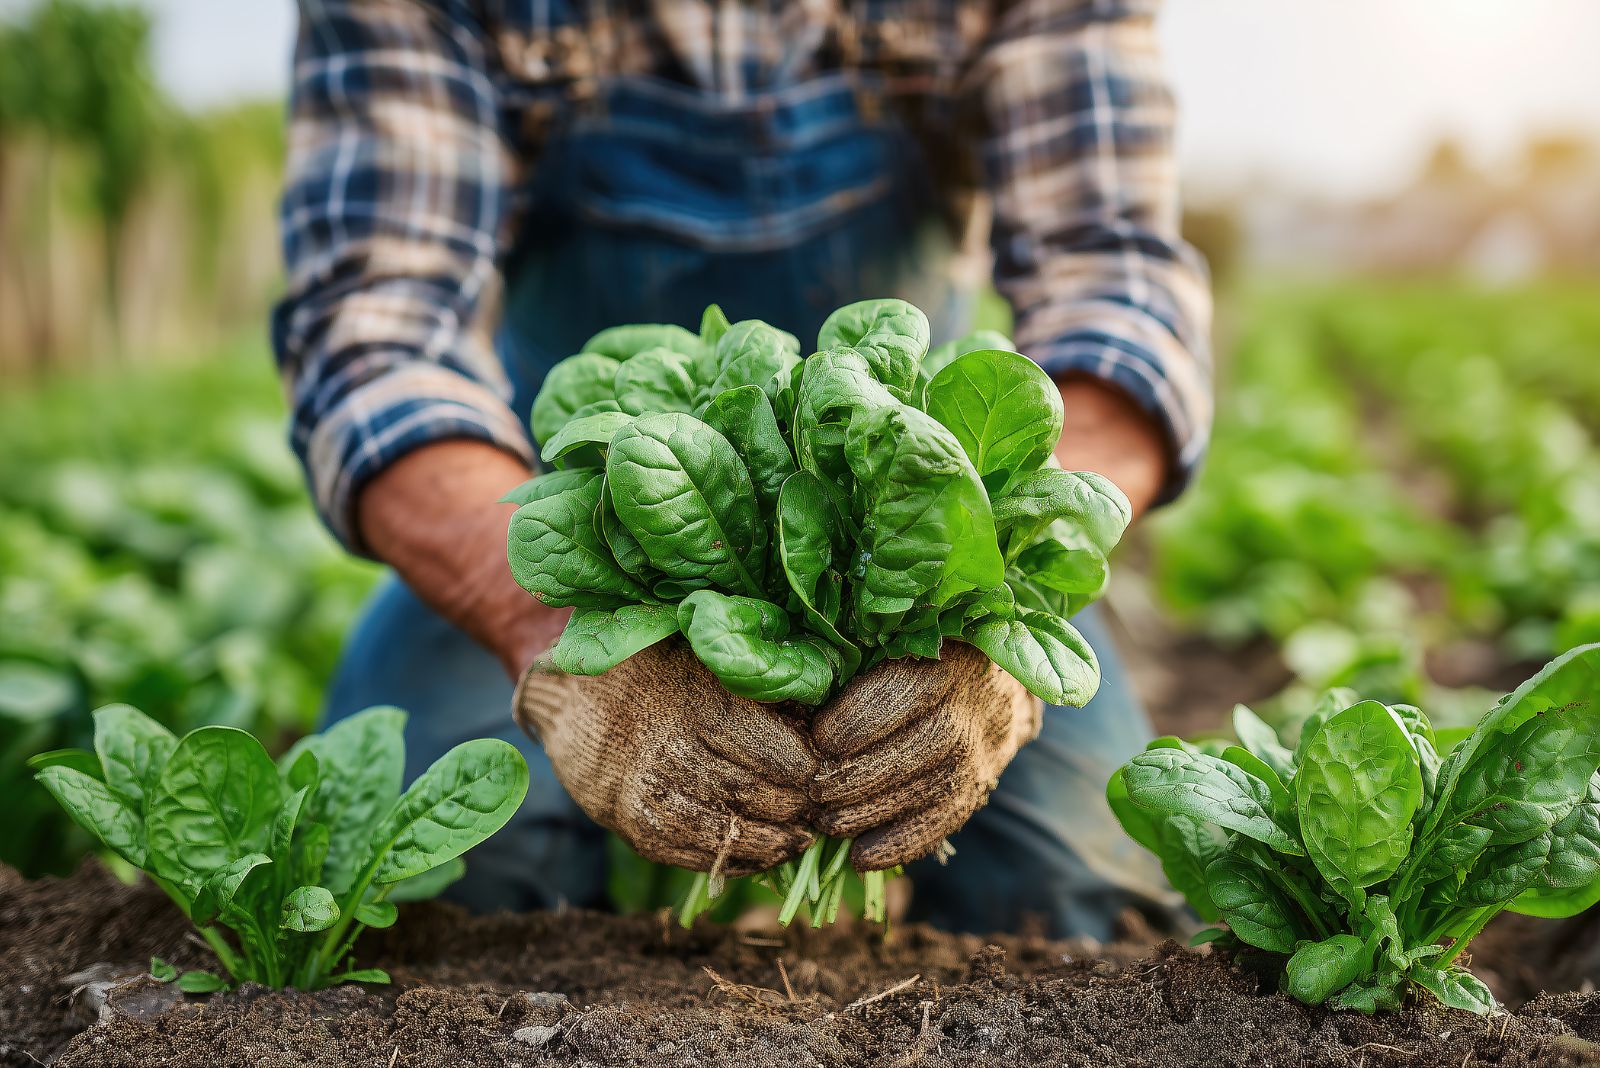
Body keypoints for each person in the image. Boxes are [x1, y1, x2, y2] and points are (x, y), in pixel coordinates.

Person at [273, 0, 1212, 939]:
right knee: (441, 883)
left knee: (1076, 886)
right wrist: (546, 631)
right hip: (571, 514)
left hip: (918, 504)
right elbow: (377, 339)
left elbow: (1115, 293)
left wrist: (986, 598)